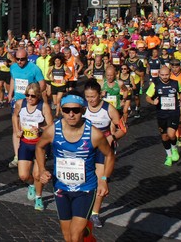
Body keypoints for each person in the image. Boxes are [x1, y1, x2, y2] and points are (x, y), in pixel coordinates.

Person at [36, 93, 115, 242]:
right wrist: (41, 169)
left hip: (85, 189)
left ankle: (84, 232)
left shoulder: (94, 134)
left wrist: (104, 179)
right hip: (61, 187)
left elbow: (109, 155)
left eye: (76, 110)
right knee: (68, 237)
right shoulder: (53, 130)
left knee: (75, 235)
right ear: (61, 110)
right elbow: (39, 147)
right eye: (66, 110)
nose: (71, 114)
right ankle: (88, 236)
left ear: (83, 110)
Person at [83, 80, 126, 228]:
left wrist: (111, 137)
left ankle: (95, 213)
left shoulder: (109, 109)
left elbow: (123, 129)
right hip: (85, 148)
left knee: (101, 180)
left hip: (103, 149)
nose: (90, 100)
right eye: (87, 97)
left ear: (100, 95)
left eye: (93, 97)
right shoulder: (82, 107)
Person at [12, 83, 53, 211]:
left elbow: (51, 126)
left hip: (40, 144)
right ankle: (31, 185)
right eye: (27, 95)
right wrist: (17, 130)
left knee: (37, 174)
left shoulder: (44, 106)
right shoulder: (20, 103)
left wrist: (40, 129)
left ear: (38, 96)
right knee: (23, 176)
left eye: (33, 96)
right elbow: (15, 116)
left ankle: (39, 197)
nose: (29, 98)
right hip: (25, 143)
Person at [8, 48, 45, 168]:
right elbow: (13, 79)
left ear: (27, 58)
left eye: (22, 59)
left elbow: (42, 84)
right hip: (17, 102)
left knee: (33, 128)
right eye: (17, 59)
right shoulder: (13, 67)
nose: (19, 62)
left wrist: (34, 96)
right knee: (16, 129)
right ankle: (17, 156)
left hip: (31, 103)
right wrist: (10, 94)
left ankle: (38, 152)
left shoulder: (34, 68)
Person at [145, 66, 181, 166]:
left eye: (166, 74)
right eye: (162, 75)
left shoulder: (175, 83)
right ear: (159, 74)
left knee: (171, 134)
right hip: (161, 114)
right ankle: (169, 156)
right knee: (164, 136)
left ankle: (174, 148)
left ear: (170, 73)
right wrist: (153, 102)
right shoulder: (155, 84)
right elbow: (147, 97)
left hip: (173, 112)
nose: (164, 77)